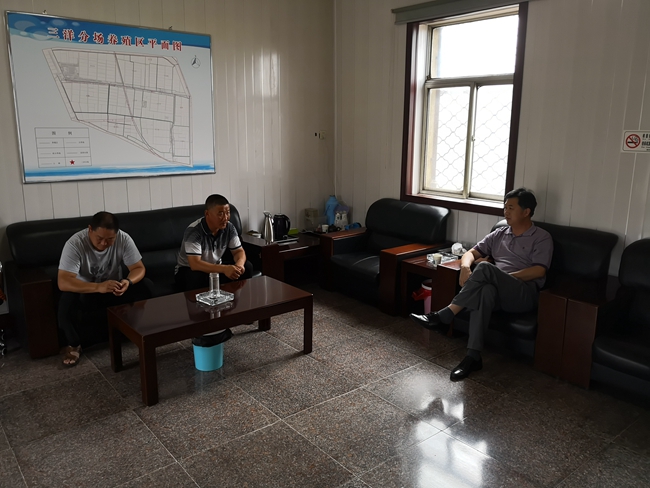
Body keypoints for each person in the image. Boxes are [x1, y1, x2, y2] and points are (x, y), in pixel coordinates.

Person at [410, 188, 553, 381]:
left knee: (485, 268)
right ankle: (473, 357)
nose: (506, 212)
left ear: (526, 212)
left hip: (523, 293)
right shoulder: (499, 234)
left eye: (511, 208)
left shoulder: (541, 237)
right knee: (485, 290)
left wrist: (500, 277)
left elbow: (539, 271)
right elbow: (471, 253)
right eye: (505, 207)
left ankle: (446, 315)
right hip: (497, 291)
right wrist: (465, 267)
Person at [58, 211, 153, 367]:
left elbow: (138, 268)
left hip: (114, 289)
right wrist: (97, 287)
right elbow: (63, 282)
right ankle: (74, 345)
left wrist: (128, 281)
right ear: (90, 229)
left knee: (146, 285)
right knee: (66, 301)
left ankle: (137, 331)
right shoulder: (75, 244)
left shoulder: (123, 238)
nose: (104, 244)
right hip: (86, 291)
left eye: (110, 239)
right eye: (99, 238)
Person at [175, 194, 253, 292]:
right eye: (220, 214)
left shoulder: (229, 227)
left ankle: (233, 299)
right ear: (207, 214)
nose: (225, 218)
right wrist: (225, 269)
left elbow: (238, 251)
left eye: (228, 213)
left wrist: (239, 265)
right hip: (189, 270)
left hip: (215, 268)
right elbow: (195, 264)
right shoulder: (194, 231)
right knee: (196, 277)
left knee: (247, 267)